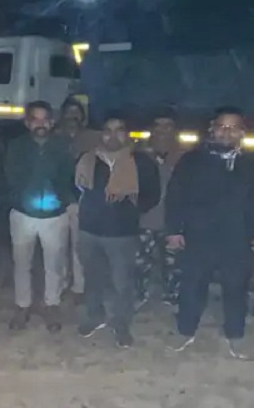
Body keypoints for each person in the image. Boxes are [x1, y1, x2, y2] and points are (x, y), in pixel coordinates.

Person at [165, 106, 254, 359]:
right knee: (192, 286)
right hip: (198, 236)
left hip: (239, 237)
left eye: (233, 127)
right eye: (222, 126)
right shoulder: (192, 160)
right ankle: (185, 331)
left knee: (236, 289)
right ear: (212, 129)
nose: (227, 132)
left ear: (242, 132)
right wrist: (173, 230)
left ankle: (235, 336)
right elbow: (175, 196)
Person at [75, 113, 160, 348]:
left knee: (123, 283)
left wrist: (131, 206)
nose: (113, 136)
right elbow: (75, 187)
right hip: (90, 230)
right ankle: (95, 316)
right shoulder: (88, 159)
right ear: (101, 134)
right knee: (92, 278)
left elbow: (152, 194)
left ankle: (121, 324)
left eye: (119, 130)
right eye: (108, 130)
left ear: (127, 134)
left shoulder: (141, 162)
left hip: (122, 233)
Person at [5, 101, 76, 333]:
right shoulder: (17, 146)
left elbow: (69, 176)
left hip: (55, 215)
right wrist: (19, 198)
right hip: (23, 214)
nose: (40, 124)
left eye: (45, 119)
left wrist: (64, 200)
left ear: (52, 122)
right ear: (27, 123)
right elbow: (10, 175)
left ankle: (51, 305)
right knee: (21, 263)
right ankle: (22, 306)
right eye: (35, 119)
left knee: (54, 264)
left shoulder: (62, 146)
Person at [136, 107, 185, 307]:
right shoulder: (138, 155)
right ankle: (139, 294)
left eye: (168, 126)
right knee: (139, 263)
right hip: (143, 221)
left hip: (173, 223)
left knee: (174, 265)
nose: (162, 131)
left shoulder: (185, 157)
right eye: (158, 126)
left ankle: (173, 295)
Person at [55, 97, 101, 305]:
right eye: (69, 112)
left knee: (78, 247)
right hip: (57, 202)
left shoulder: (93, 138)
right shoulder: (54, 137)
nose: (72, 117)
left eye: (77, 112)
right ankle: (62, 283)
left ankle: (79, 287)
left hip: (83, 201)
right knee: (58, 247)